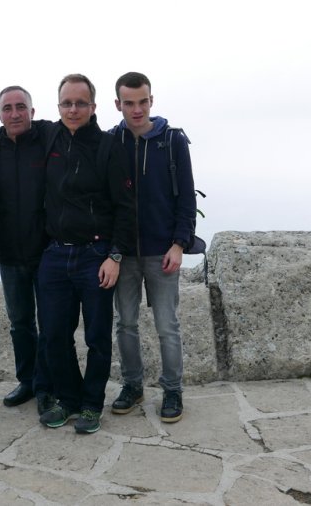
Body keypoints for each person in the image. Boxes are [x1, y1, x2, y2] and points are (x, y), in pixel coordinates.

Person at [36, 74, 135, 434]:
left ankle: (92, 404)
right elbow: (8, 134)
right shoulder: (49, 136)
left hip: (96, 255)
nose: (73, 109)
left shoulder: (109, 145)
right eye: (67, 103)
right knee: (53, 335)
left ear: (93, 106)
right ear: (58, 106)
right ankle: (68, 399)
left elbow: (126, 206)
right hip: (55, 254)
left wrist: (115, 255)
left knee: (96, 336)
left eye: (80, 103)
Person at [107, 72, 196, 423]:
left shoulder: (172, 141)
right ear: (118, 104)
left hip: (163, 251)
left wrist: (179, 244)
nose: (137, 109)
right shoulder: (110, 141)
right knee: (125, 324)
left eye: (142, 101)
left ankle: (172, 389)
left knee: (167, 326)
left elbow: (186, 198)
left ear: (151, 100)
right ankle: (133, 385)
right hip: (124, 253)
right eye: (129, 103)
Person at [0, 86, 57, 415]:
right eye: (8, 108)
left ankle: (47, 385)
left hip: (45, 251)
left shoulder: (47, 139)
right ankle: (27, 381)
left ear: (32, 111)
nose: (14, 114)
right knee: (20, 323)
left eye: (20, 107)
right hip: (9, 252)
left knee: (50, 323)